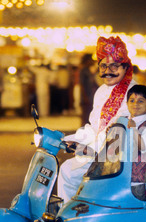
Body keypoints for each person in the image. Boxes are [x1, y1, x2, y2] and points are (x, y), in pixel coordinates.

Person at [57, 36, 136, 203]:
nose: (108, 71)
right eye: (103, 66)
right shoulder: (102, 90)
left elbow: (121, 132)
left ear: (125, 66)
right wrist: (67, 139)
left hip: (121, 158)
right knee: (67, 169)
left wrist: (90, 150)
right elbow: (95, 127)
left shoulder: (134, 92)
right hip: (100, 151)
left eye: (114, 65)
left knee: (68, 171)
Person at [125, 85, 146, 201]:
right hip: (119, 178)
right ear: (127, 103)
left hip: (137, 183)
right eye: (132, 100)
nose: (135, 104)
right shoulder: (122, 121)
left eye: (141, 101)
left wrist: (134, 130)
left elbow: (143, 147)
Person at [79, 54, 99, 125]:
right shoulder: (83, 70)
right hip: (86, 96)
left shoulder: (89, 70)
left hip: (90, 95)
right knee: (85, 114)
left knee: (89, 113)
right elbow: (81, 85)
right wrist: (85, 97)